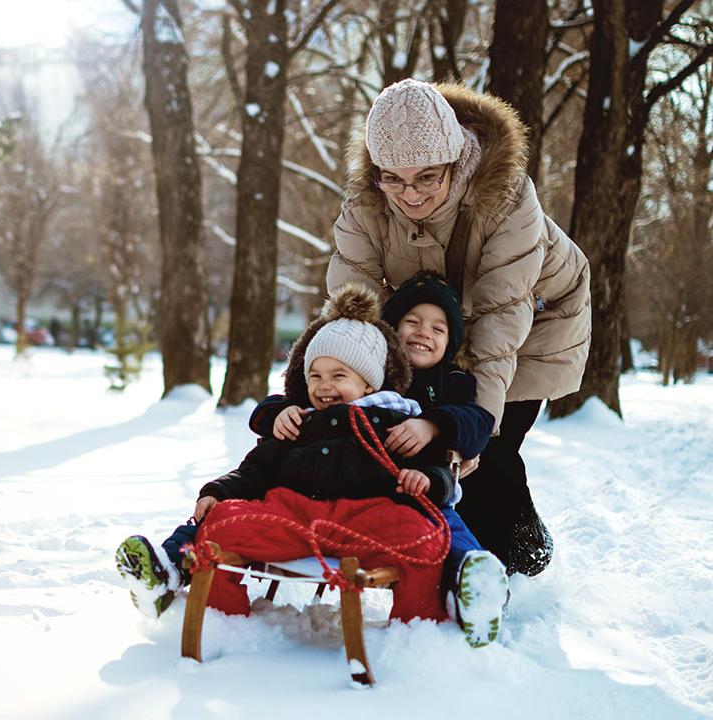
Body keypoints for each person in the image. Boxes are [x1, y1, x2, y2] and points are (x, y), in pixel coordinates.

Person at [116, 283, 508, 647]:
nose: (325, 385)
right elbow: (256, 468)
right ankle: (223, 624)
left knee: (431, 533)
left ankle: (427, 628)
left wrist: (427, 476)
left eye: (339, 376)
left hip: (371, 518)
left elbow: (449, 449)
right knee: (222, 519)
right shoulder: (301, 419)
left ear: (371, 384)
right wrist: (220, 489)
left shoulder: (398, 415)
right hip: (296, 517)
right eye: (316, 376)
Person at [327, 78, 591, 575]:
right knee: (420, 437)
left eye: (427, 177)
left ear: (455, 163)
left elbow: (499, 319)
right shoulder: (364, 206)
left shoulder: (506, 199)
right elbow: (352, 312)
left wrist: (469, 431)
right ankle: (440, 552)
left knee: (485, 444)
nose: (410, 194)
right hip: (446, 320)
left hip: (536, 316)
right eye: (394, 179)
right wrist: (331, 388)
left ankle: (518, 558)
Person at [250, 272, 505, 645]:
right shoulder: (364, 369)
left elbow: (478, 422)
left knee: (446, 526)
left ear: (450, 343)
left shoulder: (451, 380)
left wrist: (432, 425)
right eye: (412, 322)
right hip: (358, 488)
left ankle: (474, 587)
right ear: (391, 330)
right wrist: (278, 412)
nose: (423, 333)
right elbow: (309, 397)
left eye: (438, 328)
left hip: (419, 483)